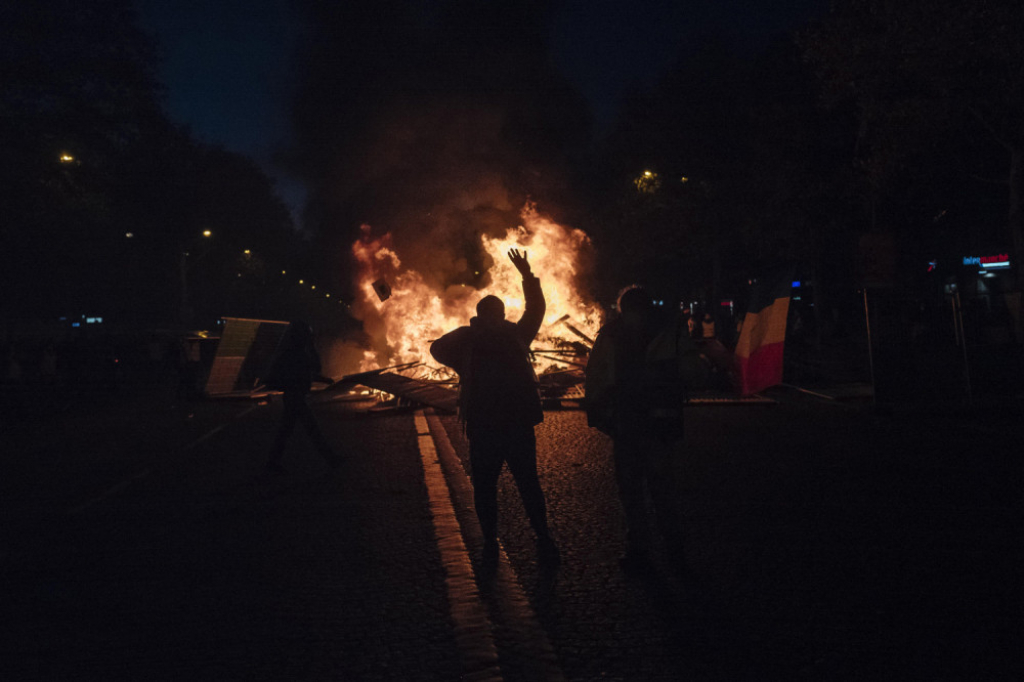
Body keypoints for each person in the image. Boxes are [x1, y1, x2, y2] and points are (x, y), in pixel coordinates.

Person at [430, 249, 559, 569]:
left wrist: (528, 277)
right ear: (483, 316)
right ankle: (492, 540)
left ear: (501, 315)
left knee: (527, 483)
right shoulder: (470, 341)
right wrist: (468, 337)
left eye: (497, 314)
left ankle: (542, 536)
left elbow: (536, 309)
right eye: (490, 315)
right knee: (487, 487)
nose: (495, 319)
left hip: (513, 424)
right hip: (487, 425)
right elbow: (436, 348)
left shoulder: (516, 335)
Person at [585, 286, 706, 577]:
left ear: (622, 309)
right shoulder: (671, 332)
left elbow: (598, 380)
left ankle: (640, 548)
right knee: (661, 489)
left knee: (632, 491)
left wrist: (600, 417)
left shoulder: (611, 335)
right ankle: (674, 550)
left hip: (627, 424)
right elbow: (694, 373)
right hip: (660, 424)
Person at [263, 320, 339, 474]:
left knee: (287, 431)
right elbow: (313, 369)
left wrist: (324, 380)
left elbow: (309, 373)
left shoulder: (295, 352)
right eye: (308, 334)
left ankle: (272, 463)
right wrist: (312, 347)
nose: (310, 336)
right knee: (312, 430)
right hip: (295, 398)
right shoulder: (295, 353)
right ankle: (332, 459)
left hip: (295, 397)